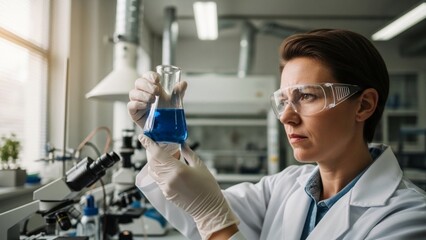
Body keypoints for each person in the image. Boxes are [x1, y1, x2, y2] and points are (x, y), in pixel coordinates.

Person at [127, 29, 426, 240]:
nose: (286, 116)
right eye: (283, 101)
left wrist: (214, 219)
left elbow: (212, 220)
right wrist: (164, 139)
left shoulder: (408, 218)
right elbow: (192, 213)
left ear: (364, 105)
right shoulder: (283, 188)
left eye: (307, 96)